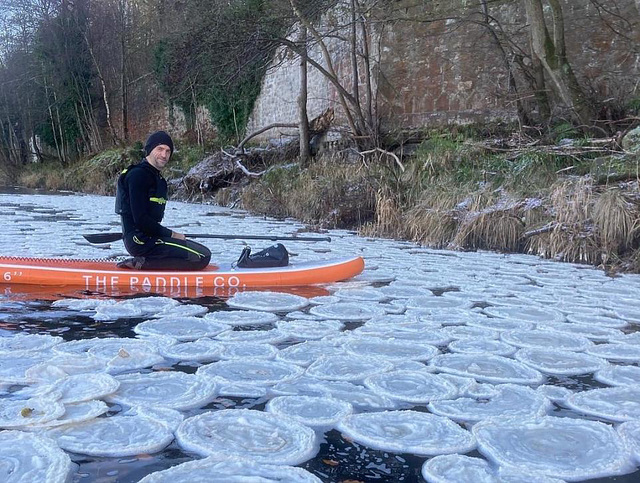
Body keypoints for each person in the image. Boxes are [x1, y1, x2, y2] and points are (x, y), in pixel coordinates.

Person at [115, 130, 211, 270]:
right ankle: (142, 263)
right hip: (139, 241)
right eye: (159, 149)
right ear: (149, 150)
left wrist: (171, 236)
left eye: (168, 151)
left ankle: (147, 261)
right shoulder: (137, 175)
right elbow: (141, 220)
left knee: (202, 253)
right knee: (201, 257)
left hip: (152, 238)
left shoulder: (157, 178)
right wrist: (172, 235)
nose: (164, 155)